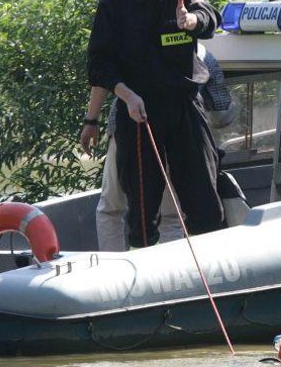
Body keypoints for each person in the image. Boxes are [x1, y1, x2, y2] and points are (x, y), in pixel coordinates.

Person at [86, 0, 225, 248]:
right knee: (143, 207)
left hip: (184, 109)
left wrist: (191, 20)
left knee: (204, 198)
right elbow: (99, 65)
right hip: (138, 112)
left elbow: (209, 17)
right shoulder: (115, 2)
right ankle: (141, 267)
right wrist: (108, 107)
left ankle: (211, 266)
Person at [81, 45, 237, 251]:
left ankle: (112, 270)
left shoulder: (132, 46)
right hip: (176, 137)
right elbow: (222, 113)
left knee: (111, 208)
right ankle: (169, 276)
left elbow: (102, 77)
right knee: (170, 216)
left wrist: (90, 120)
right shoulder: (204, 58)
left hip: (124, 131)